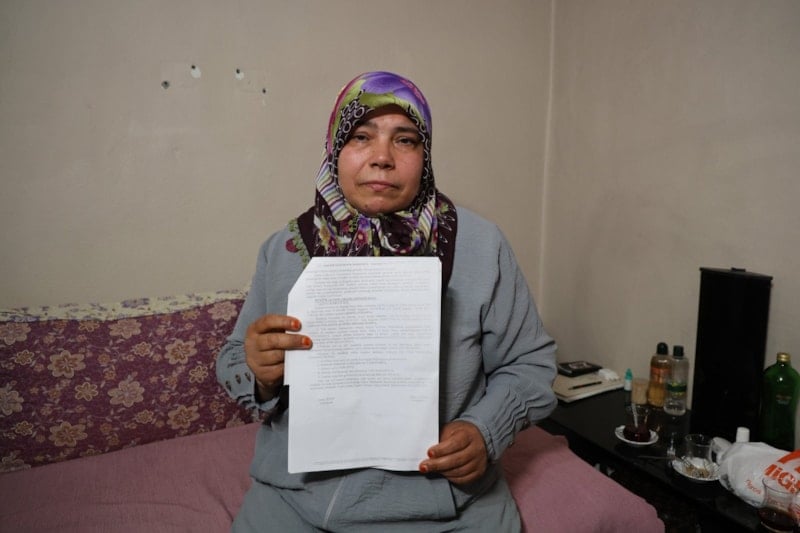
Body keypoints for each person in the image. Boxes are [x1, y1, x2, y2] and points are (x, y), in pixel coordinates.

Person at [217, 71, 557, 532]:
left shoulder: (481, 245)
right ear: (334, 149)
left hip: (446, 507)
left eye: (405, 140)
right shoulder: (284, 249)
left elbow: (531, 363)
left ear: (425, 155)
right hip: (294, 501)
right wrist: (259, 372)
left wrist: (486, 429)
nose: (382, 157)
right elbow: (232, 360)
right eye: (361, 137)